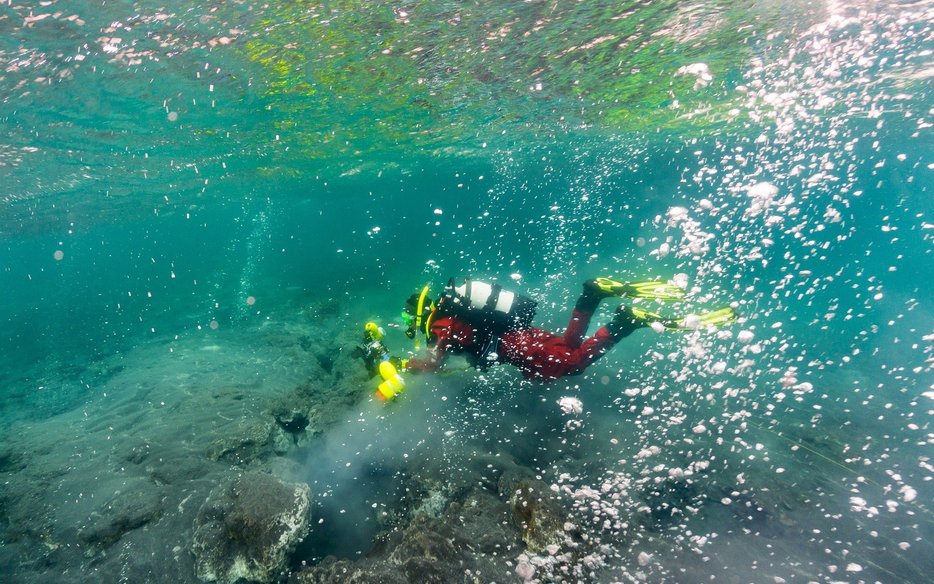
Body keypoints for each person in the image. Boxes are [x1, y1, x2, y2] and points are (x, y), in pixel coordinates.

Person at [399, 277, 735, 381]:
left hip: (515, 346)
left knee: (570, 365)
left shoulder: (442, 324)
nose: (408, 325)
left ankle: (625, 322)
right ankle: (590, 295)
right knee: (568, 344)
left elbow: (433, 362)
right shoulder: (452, 315)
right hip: (523, 336)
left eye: (406, 319)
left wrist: (404, 365)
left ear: (419, 312)